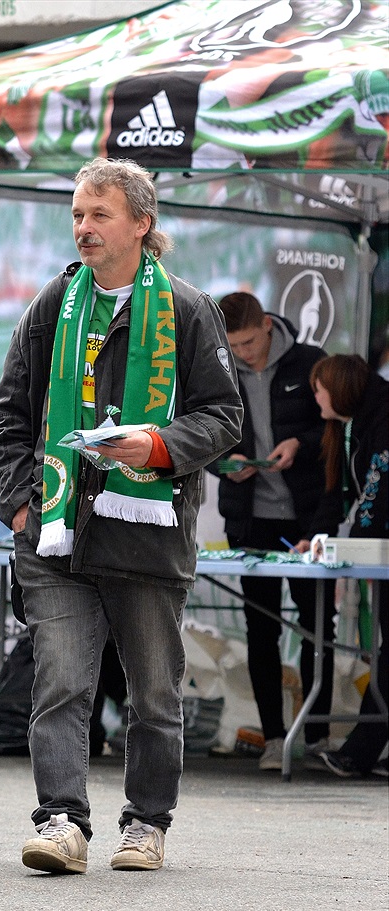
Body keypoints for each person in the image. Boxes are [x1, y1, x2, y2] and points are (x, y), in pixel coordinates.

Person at [0, 157, 243, 873]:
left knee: (154, 696)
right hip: (56, 536)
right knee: (61, 685)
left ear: (141, 223)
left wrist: (157, 446)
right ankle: (62, 822)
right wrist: (20, 502)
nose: (84, 227)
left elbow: (224, 417)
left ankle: (147, 824)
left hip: (148, 536)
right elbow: (11, 415)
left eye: (99, 214)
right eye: (77, 214)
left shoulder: (189, 309)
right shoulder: (52, 305)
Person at [212, 292, 337, 771]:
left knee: (317, 626)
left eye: (248, 342)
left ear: (267, 324)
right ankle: (273, 737)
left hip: (308, 516)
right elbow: (201, 438)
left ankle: (319, 736)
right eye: (233, 346)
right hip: (250, 519)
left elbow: (335, 430)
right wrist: (227, 465)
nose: (242, 353)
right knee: (259, 627)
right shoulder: (219, 369)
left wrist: (299, 444)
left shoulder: (310, 362)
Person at [299, 354, 388, 778]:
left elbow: (375, 493)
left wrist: (348, 547)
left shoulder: (382, 419)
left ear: (340, 390)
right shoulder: (347, 426)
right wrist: (318, 536)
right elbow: (336, 491)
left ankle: (360, 752)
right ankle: (362, 751)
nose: (315, 398)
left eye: (319, 390)